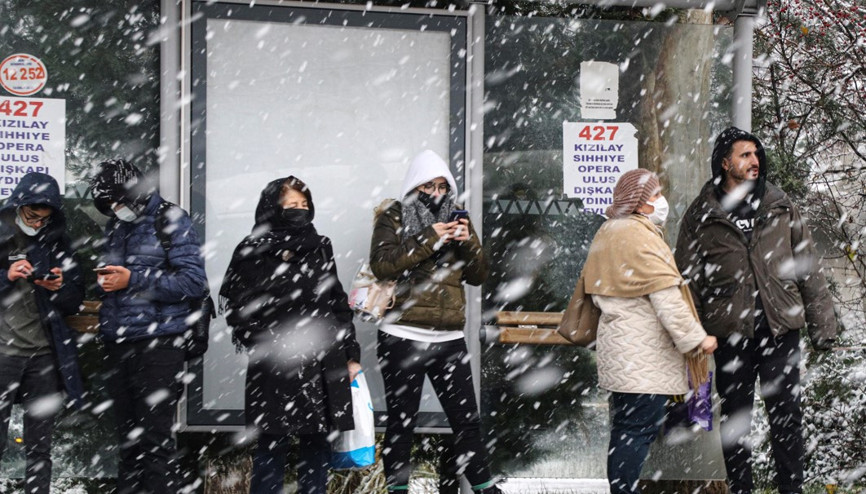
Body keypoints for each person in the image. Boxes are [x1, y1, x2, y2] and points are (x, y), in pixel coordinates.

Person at [675, 127, 837, 494]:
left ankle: (791, 489)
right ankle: (741, 489)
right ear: (725, 162)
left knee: (787, 417)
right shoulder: (702, 213)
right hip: (730, 333)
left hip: (780, 329)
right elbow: (687, 281)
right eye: (745, 155)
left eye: (756, 154)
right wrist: (692, 334)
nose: (754, 161)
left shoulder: (779, 204)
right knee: (736, 420)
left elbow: (807, 266)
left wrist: (823, 327)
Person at [573, 168, 717, 494]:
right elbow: (667, 298)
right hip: (642, 355)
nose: (661, 201)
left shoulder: (608, 232)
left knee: (627, 428)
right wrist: (697, 339)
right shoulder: (638, 236)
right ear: (639, 202)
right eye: (655, 195)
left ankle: (622, 488)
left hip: (620, 348)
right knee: (637, 430)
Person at [219, 176, 361, 494]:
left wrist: (351, 354)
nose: (299, 210)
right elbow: (240, 311)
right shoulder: (253, 249)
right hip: (275, 363)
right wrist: (273, 344)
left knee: (318, 447)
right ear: (273, 208)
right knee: (271, 445)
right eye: (291, 205)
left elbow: (337, 303)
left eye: (304, 204)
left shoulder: (320, 246)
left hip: (323, 360)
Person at [370, 150, 501, 494]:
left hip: (448, 338)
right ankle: (398, 491)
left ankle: (486, 489)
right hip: (401, 335)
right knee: (402, 421)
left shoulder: (458, 218)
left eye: (443, 186)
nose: (436, 192)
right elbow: (383, 265)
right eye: (428, 185)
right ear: (415, 185)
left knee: (466, 422)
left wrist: (467, 241)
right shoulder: (393, 216)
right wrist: (431, 237)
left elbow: (478, 275)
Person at [89, 159, 208, 494]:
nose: (115, 209)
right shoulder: (116, 225)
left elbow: (192, 282)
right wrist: (107, 283)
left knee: (156, 443)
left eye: (118, 201)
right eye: (109, 205)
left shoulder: (170, 218)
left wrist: (133, 279)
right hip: (119, 342)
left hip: (159, 346)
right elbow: (117, 281)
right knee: (128, 444)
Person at [0, 173, 85, 493]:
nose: (36, 223)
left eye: (43, 219)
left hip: (45, 355)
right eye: (31, 215)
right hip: (3, 352)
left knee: (40, 446)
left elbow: (75, 299)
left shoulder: (58, 242)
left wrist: (59, 287)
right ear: (17, 206)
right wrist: (7, 276)